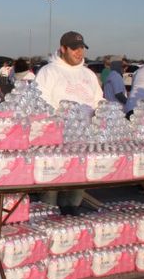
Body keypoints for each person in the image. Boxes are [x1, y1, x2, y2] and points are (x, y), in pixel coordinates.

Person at [35, 31, 102, 215]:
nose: (79, 52)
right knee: (50, 197)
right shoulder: (49, 72)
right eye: (74, 48)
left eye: (82, 48)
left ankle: (70, 232)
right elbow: (40, 104)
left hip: (83, 145)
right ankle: (46, 228)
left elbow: (98, 102)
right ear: (63, 49)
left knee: (74, 196)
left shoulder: (88, 74)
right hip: (56, 145)